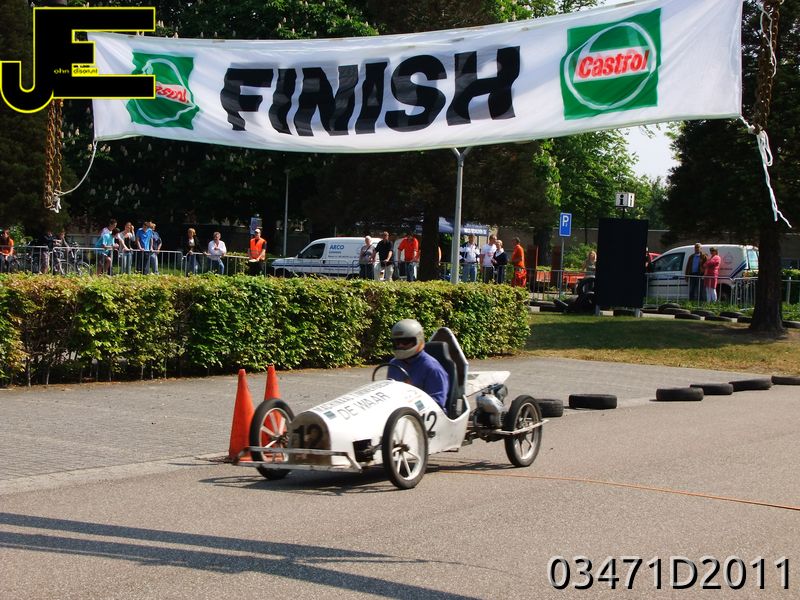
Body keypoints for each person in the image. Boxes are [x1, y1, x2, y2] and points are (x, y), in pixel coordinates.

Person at [387, 319, 449, 409]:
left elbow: (437, 403)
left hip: (426, 414)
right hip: (399, 412)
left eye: (405, 341)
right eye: (397, 342)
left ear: (418, 340)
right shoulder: (394, 364)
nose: (400, 345)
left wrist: (409, 407)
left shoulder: (432, 368)